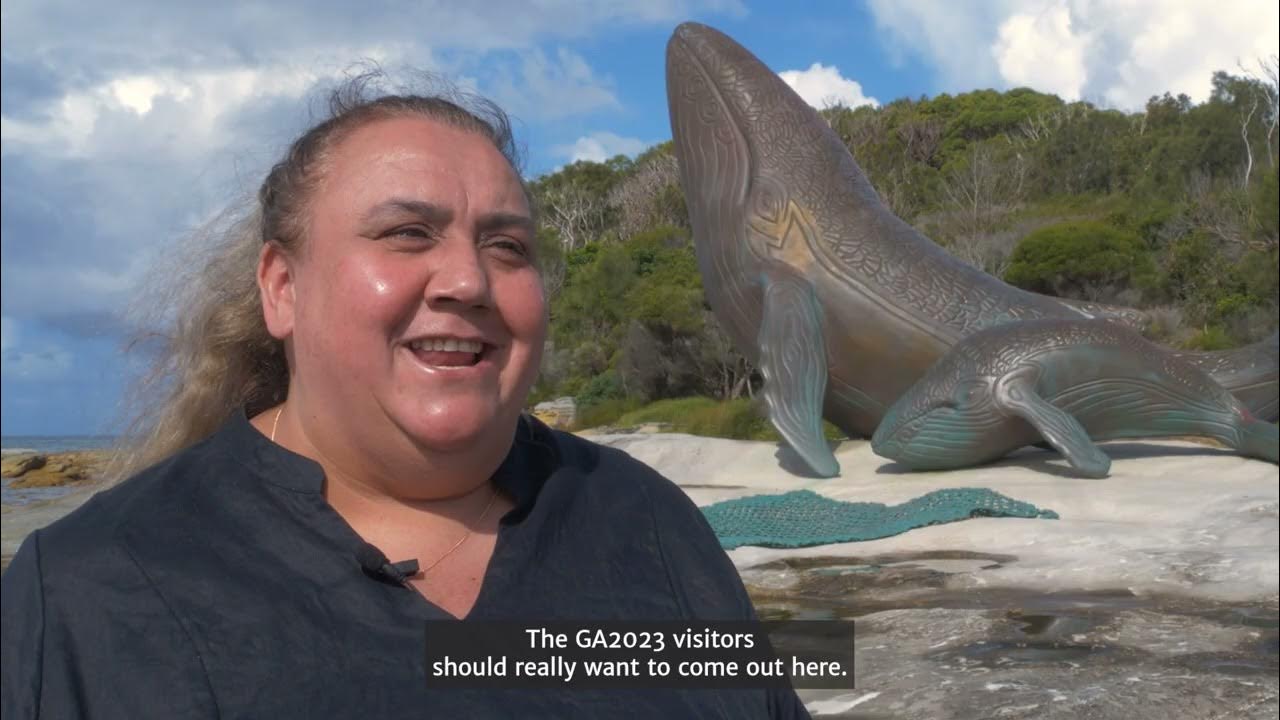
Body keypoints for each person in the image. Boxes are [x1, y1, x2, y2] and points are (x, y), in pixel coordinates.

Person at [1, 73, 811, 718]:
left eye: (507, 245)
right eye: (406, 234)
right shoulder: (93, 586)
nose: (467, 280)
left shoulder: (645, 521)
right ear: (281, 288)